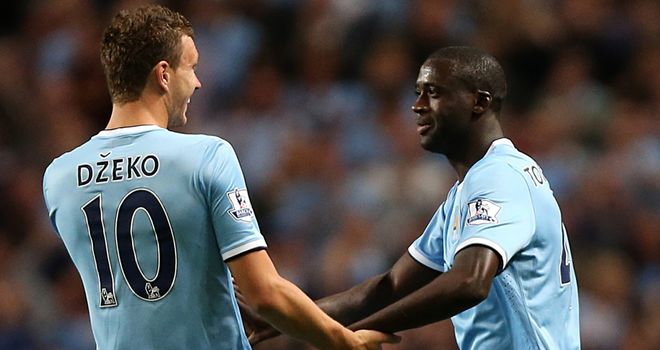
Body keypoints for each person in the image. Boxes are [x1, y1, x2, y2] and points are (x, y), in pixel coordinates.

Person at [41, 5, 399, 350]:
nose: (197, 83)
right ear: (163, 75)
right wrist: (344, 341)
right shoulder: (206, 157)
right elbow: (265, 293)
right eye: (191, 67)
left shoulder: (58, 178)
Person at [247, 46, 581, 349]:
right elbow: (389, 286)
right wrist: (287, 316)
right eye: (418, 93)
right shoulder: (464, 194)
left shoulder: (501, 176)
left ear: (479, 102)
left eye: (433, 92)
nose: (417, 106)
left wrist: (359, 332)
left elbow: (469, 281)